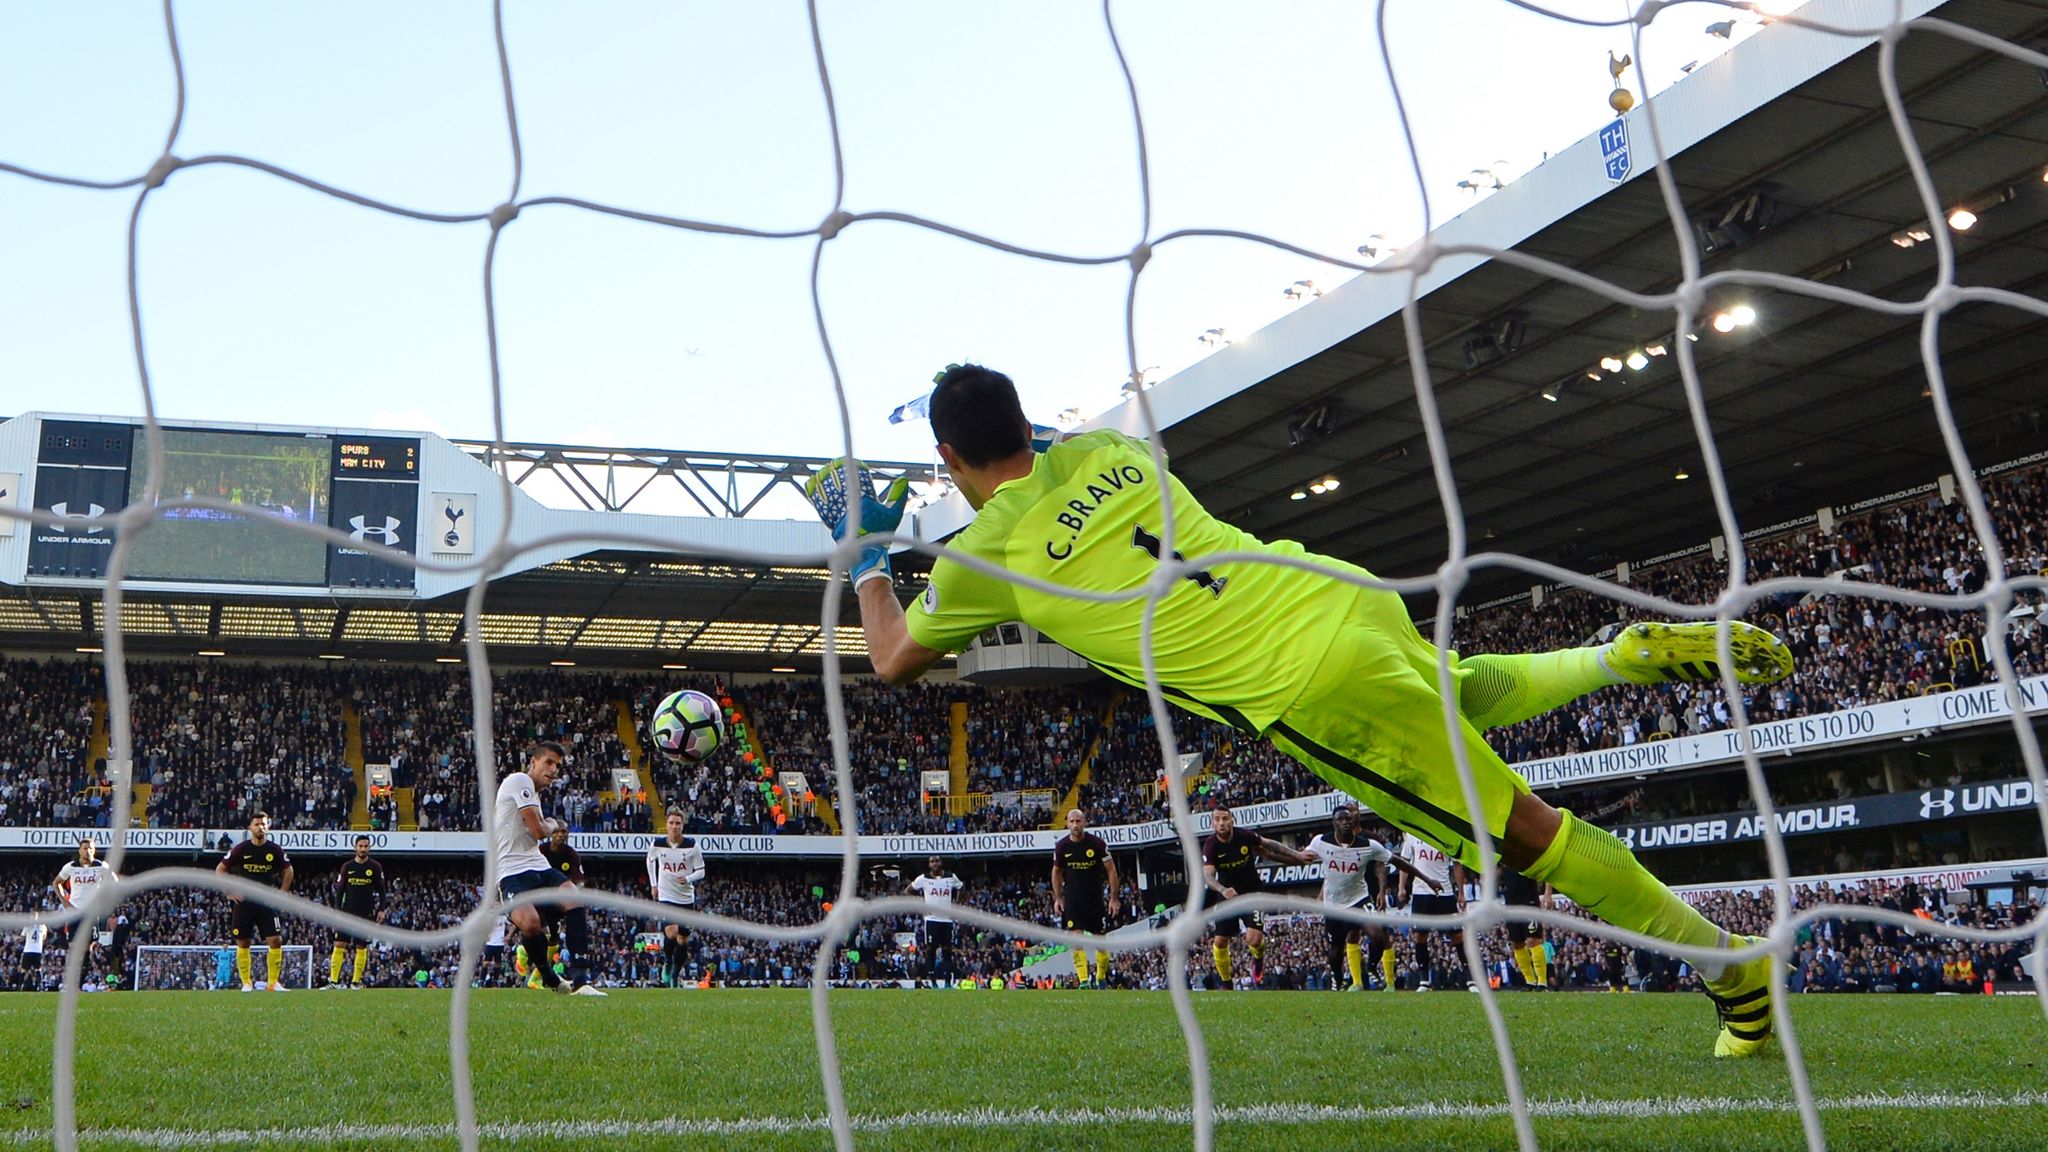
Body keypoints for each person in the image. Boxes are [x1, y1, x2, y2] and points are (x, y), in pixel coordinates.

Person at [814, 362, 1795, 1055]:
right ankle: (1614, 657)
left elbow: (895, 656)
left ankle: (1727, 968)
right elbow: (1042, 447)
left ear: (948, 456)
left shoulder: (983, 558)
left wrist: (865, 557)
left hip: (1302, 687)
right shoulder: (1110, 451)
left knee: (1525, 836)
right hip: (1333, 593)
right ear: (1024, 425)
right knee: (1452, 694)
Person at [493, 741, 604, 996]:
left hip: (537, 865)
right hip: (510, 872)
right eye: (549, 762)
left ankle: (580, 979)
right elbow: (538, 830)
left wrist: (546, 823)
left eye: (558, 766)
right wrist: (553, 824)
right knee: (530, 924)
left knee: (574, 899)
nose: (554, 770)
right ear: (533, 762)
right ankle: (549, 977)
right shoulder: (520, 781)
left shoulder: (533, 794)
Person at [1301, 803, 1437, 992]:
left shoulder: (1369, 844)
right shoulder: (1321, 842)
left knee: (1378, 936)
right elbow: (1301, 858)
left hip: (1360, 898)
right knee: (1336, 946)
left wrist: (1428, 879)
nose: (1345, 822)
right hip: (1333, 903)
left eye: (1348, 818)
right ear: (1333, 823)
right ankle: (1337, 978)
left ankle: (1372, 967)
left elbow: (1398, 862)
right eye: (1340, 819)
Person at [1201, 807, 1313, 988]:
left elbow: (1270, 845)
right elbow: (1208, 876)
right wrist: (1223, 890)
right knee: (1220, 941)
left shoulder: (1244, 836)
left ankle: (1258, 960)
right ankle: (1226, 982)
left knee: (1253, 939)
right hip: (1228, 895)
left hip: (1252, 892)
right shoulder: (1211, 845)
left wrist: (1297, 854)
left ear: (1232, 821)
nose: (1221, 823)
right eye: (1217, 820)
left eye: (1225, 819)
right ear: (1213, 823)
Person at [217, 812, 295, 992]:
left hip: (266, 903)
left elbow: (289, 871)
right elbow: (220, 870)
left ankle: (273, 983)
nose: (260, 827)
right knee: (243, 942)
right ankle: (246, 983)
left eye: (264, 824)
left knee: (275, 940)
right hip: (244, 903)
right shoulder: (241, 849)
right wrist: (229, 892)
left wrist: (282, 893)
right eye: (257, 824)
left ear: (268, 827)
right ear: (250, 827)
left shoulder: (274, 850)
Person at [1050, 809, 1121, 987]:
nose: (1075, 825)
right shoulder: (1062, 847)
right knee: (1076, 940)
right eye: (1072, 821)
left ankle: (1101, 977)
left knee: (1101, 942)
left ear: (1085, 823)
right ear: (1067, 823)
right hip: (1073, 899)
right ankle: (1083, 981)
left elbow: (1111, 870)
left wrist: (1113, 898)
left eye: (1078, 821)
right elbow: (1056, 872)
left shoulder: (1097, 844)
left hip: (1095, 899)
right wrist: (1058, 898)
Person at [1397, 829, 1469, 990]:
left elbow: (1457, 865)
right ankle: (1424, 981)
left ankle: (1470, 979)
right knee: (1420, 936)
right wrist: (1401, 887)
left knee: (1457, 935)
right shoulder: (1412, 835)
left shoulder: (1448, 834)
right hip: (1421, 892)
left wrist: (1461, 892)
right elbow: (1405, 863)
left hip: (1445, 892)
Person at [645, 810, 706, 988]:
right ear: (667, 824)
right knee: (671, 932)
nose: (674, 827)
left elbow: (701, 870)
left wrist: (687, 879)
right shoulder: (657, 844)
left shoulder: (691, 846)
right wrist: (654, 884)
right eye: (671, 823)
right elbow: (650, 860)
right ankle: (667, 962)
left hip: (685, 897)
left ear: (682, 825)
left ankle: (675, 973)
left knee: (682, 939)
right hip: (665, 894)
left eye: (677, 823)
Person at [328, 835, 388, 989]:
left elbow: (382, 891)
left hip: (366, 913)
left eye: (365, 846)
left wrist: (381, 909)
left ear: (369, 848)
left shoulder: (374, 867)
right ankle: (333, 982)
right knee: (339, 944)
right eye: (360, 846)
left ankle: (355, 982)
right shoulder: (347, 867)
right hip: (347, 913)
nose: (363, 849)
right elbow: (340, 891)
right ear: (355, 847)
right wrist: (337, 912)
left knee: (361, 946)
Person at [542, 827, 597, 987]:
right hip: (540, 896)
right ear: (550, 834)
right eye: (556, 831)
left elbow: (578, 879)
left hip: (561, 899)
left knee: (576, 912)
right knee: (547, 938)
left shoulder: (571, 854)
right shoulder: (541, 851)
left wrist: (577, 891)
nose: (560, 835)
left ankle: (579, 968)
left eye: (563, 831)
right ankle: (537, 972)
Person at [907, 855, 964, 986]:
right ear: (929, 865)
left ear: (941, 862)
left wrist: (956, 905)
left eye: (937, 861)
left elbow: (961, 888)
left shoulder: (950, 877)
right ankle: (933, 982)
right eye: (932, 862)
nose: (935, 864)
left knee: (947, 951)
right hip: (931, 919)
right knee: (931, 950)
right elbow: (908, 890)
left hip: (947, 920)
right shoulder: (923, 878)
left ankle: (948, 982)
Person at [1502, 870, 1554, 990]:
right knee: (1517, 943)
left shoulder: (1528, 851)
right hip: (1511, 900)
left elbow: (1546, 868)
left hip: (1528, 898)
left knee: (1533, 940)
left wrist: (1548, 893)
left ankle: (1542, 982)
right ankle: (1529, 981)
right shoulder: (1505, 854)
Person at [19, 912, 47, 992]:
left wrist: (21, 939)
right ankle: (40, 987)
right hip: (37, 950)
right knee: (38, 969)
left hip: (28, 950)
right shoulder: (42, 925)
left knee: (23, 969)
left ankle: (20, 986)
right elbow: (44, 937)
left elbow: (22, 938)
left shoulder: (27, 925)